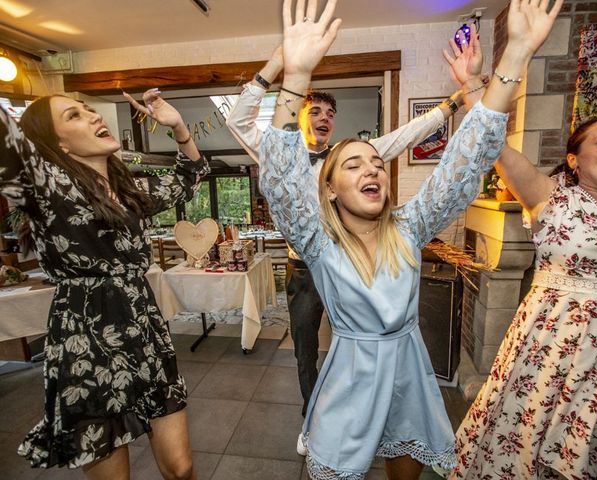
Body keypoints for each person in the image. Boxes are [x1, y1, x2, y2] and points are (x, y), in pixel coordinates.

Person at [258, 0, 562, 478]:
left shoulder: (410, 226)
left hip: (408, 367)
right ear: (330, 190)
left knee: (408, 466)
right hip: (351, 374)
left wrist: (515, 55)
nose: (372, 168)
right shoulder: (316, 239)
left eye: (376, 162)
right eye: (353, 164)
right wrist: (295, 76)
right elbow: (279, 179)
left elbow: (464, 161)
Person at [227, 19, 473, 428]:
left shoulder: (350, 158)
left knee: (359, 343)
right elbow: (237, 122)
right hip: (304, 270)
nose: (325, 117)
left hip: (351, 262)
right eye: (316, 110)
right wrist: (275, 65)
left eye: (331, 113)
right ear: (301, 115)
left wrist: (449, 106)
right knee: (305, 345)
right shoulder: (276, 152)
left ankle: (367, 415)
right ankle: (313, 415)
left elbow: (403, 136)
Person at [0, 89, 208, 479]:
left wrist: (178, 126)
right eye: (74, 116)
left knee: (181, 469)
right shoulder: (44, 188)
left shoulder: (129, 191)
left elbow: (189, 177)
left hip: (144, 328)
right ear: (54, 142)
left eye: (89, 110)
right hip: (87, 339)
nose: (94, 117)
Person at [451, 121, 597, 475]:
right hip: (555, 352)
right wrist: (475, 86)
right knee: (530, 441)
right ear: (574, 160)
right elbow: (495, 144)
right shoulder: (552, 199)